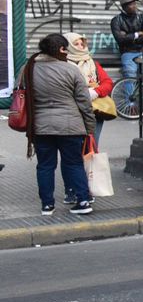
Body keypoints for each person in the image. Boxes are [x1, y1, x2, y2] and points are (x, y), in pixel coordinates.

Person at [20, 34, 97, 216]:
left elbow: (20, 92)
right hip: (71, 126)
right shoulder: (70, 70)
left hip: (41, 127)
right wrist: (90, 128)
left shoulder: (28, 68)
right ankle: (83, 201)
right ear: (61, 49)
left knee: (45, 166)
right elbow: (84, 102)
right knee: (74, 164)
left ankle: (47, 205)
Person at [64, 32, 113, 143]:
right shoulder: (62, 64)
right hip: (72, 111)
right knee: (74, 147)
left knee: (92, 145)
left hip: (94, 110)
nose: (81, 46)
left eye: (82, 44)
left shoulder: (92, 63)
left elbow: (108, 82)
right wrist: (83, 92)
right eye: (76, 44)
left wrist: (96, 92)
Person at [110, 0, 143, 79]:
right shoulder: (116, 20)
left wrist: (130, 38)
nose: (135, 6)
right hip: (128, 52)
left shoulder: (141, 17)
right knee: (130, 76)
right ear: (124, 7)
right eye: (131, 4)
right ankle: (130, 93)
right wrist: (136, 34)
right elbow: (120, 39)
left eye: (135, 4)